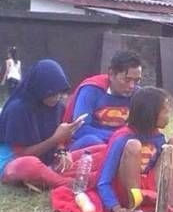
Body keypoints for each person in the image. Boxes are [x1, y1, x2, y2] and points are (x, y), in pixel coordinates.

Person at [51, 86, 173, 212]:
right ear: (151, 114)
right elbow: (104, 180)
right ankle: (135, 204)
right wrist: (115, 207)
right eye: (165, 111)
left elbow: (158, 167)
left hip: (147, 186)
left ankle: (170, 198)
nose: (168, 116)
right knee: (134, 146)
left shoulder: (158, 137)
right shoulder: (123, 137)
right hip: (126, 190)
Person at [0, 59, 103, 190]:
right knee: (29, 165)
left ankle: (51, 175)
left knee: (95, 144)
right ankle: (68, 183)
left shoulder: (58, 107)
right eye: (52, 94)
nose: (57, 97)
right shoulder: (18, 109)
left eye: (60, 92)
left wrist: (62, 151)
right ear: (39, 89)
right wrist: (55, 140)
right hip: (14, 162)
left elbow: (59, 140)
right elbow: (21, 154)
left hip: (49, 159)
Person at [64, 50, 142, 150]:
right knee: (92, 141)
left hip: (123, 145)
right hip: (90, 145)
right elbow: (78, 129)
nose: (132, 86)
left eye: (137, 81)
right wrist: (117, 137)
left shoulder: (138, 95)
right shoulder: (91, 90)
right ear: (111, 74)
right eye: (127, 80)